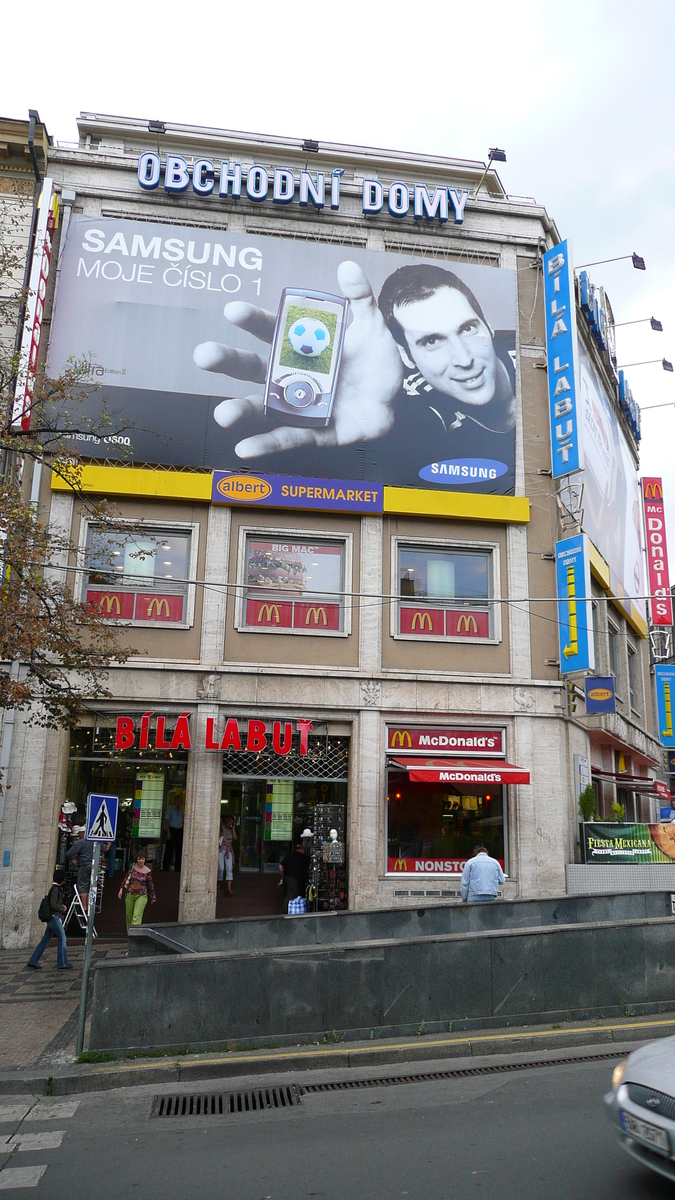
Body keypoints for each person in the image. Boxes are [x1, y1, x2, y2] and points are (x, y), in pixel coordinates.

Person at [193, 260, 515, 492]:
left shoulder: (541, 364)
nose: (463, 359)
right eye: (431, 341)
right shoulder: (411, 410)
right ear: (406, 356)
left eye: (468, 328)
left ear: (488, 327)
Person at [27, 866, 72, 970]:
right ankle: (62, 963)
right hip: (54, 917)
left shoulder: (53, 888)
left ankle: (33, 960)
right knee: (62, 938)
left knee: (45, 940)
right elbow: (53, 904)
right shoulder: (56, 889)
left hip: (52, 918)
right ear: (62, 879)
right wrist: (62, 908)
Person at [66, 827, 109, 912]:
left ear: (82, 833)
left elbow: (68, 854)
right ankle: (91, 906)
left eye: (79, 834)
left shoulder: (80, 842)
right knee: (92, 885)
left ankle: (84, 907)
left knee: (83, 885)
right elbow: (105, 848)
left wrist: (75, 858)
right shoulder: (95, 840)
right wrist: (110, 842)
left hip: (84, 865)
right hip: (95, 866)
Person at [118, 850, 156, 932]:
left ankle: (134, 934)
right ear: (136, 860)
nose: (141, 861)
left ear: (145, 859)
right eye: (139, 859)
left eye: (142, 859)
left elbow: (150, 884)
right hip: (130, 893)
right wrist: (121, 889)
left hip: (141, 895)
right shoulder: (132, 868)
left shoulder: (148, 871)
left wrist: (153, 896)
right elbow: (126, 879)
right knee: (129, 916)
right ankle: (130, 934)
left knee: (136, 916)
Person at [279, 839, 309, 910]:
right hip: (294, 878)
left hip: (286, 877)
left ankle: (287, 911)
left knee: (286, 895)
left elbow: (280, 866)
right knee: (291, 895)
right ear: (302, 850)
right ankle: (283, 913)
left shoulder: (289, 856)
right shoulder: (303, 857)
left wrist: (283, 876)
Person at [163, 792, 185, 872]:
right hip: (172, 829)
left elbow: (182, 820)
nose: (181, 802)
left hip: (179, 830)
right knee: (169, 849)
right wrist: (168, 832)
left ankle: (177, 867)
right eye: (180, 800)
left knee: (179, 849)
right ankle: (166, 867)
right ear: (176, 800)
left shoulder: (181, 810)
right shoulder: (170, 809)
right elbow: (166, 820)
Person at [218, 816, 237, 894]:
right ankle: (219, 880)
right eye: (229, 822)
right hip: (221, 849)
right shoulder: (221, 828)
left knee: (229, 868)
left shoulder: (231, 830)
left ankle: (229, 887)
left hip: (228, 849)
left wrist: (233, 828)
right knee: (221, 867)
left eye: (231, 823)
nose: (230, 824)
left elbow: (235, 838)